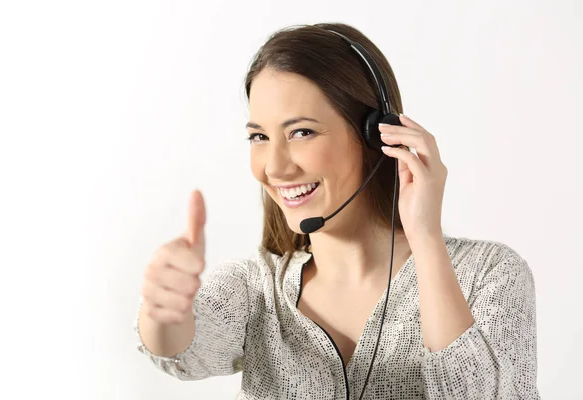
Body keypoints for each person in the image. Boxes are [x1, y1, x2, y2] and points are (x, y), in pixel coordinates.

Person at [134, 22, 540, 399]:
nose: (274, 167)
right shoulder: (255, 288)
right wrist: (161, 311)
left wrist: (427, 240)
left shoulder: (490, 274)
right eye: (259, 136)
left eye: (302, 132)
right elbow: (184, 351)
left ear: (377, 135)